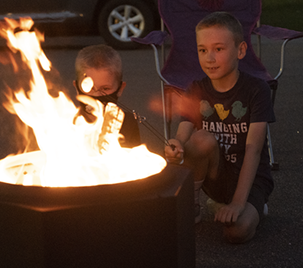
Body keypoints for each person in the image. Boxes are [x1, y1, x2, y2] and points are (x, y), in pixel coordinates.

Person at [164, 12, 275, 243]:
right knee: (201, 138)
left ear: (241, 51)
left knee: (236, 232)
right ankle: (193, 204)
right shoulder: (196, 88)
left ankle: (250, 208)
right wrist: (175, 146)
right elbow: (183, 135)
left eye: (219, 49)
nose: (209, 58)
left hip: (251, 178)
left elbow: (254, 148)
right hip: (216, 176)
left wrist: (238, 202)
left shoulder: (257, 90)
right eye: (203, 50)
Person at [73, 44, 141, 148]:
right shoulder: (67, 121)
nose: (97, 95)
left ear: (120, 89)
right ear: (77, 88)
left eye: (105, 89)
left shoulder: (128, 122)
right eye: (89, 88)